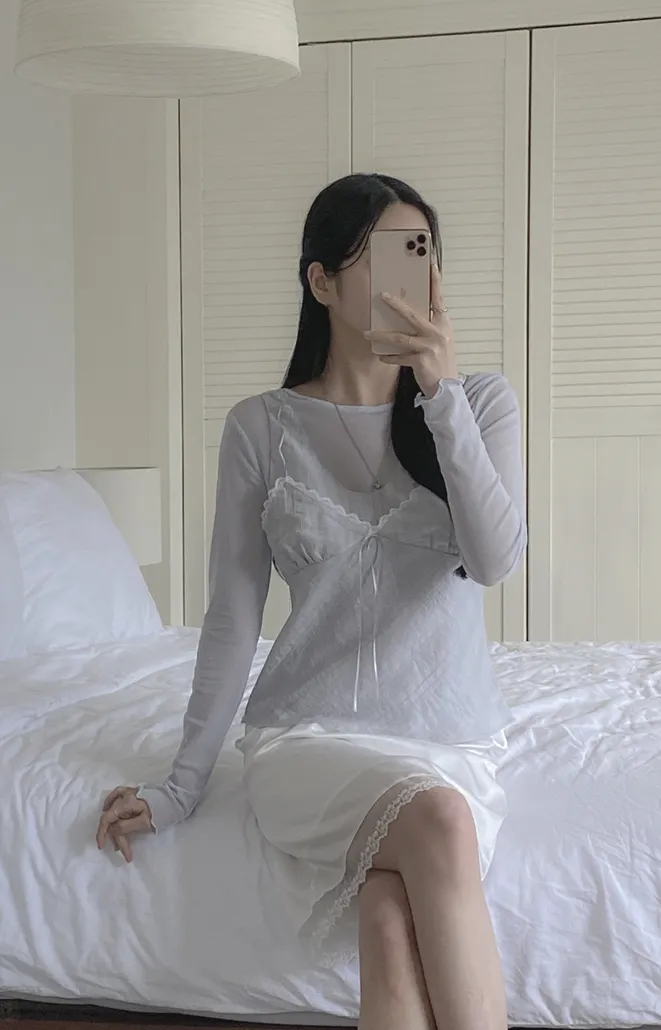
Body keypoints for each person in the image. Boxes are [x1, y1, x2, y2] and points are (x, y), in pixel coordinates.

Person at [96, 172, 526, 1030]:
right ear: (322, 281)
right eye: (384, 256)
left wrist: (440, 394)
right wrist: (182, 785)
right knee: (438, 827)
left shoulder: (479, 402)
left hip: (451, 740)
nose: (411, 278)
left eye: (422, 253)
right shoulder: (260, 427)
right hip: (310, 738)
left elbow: (494, 561)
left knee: (389, 915)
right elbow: (233, 615)